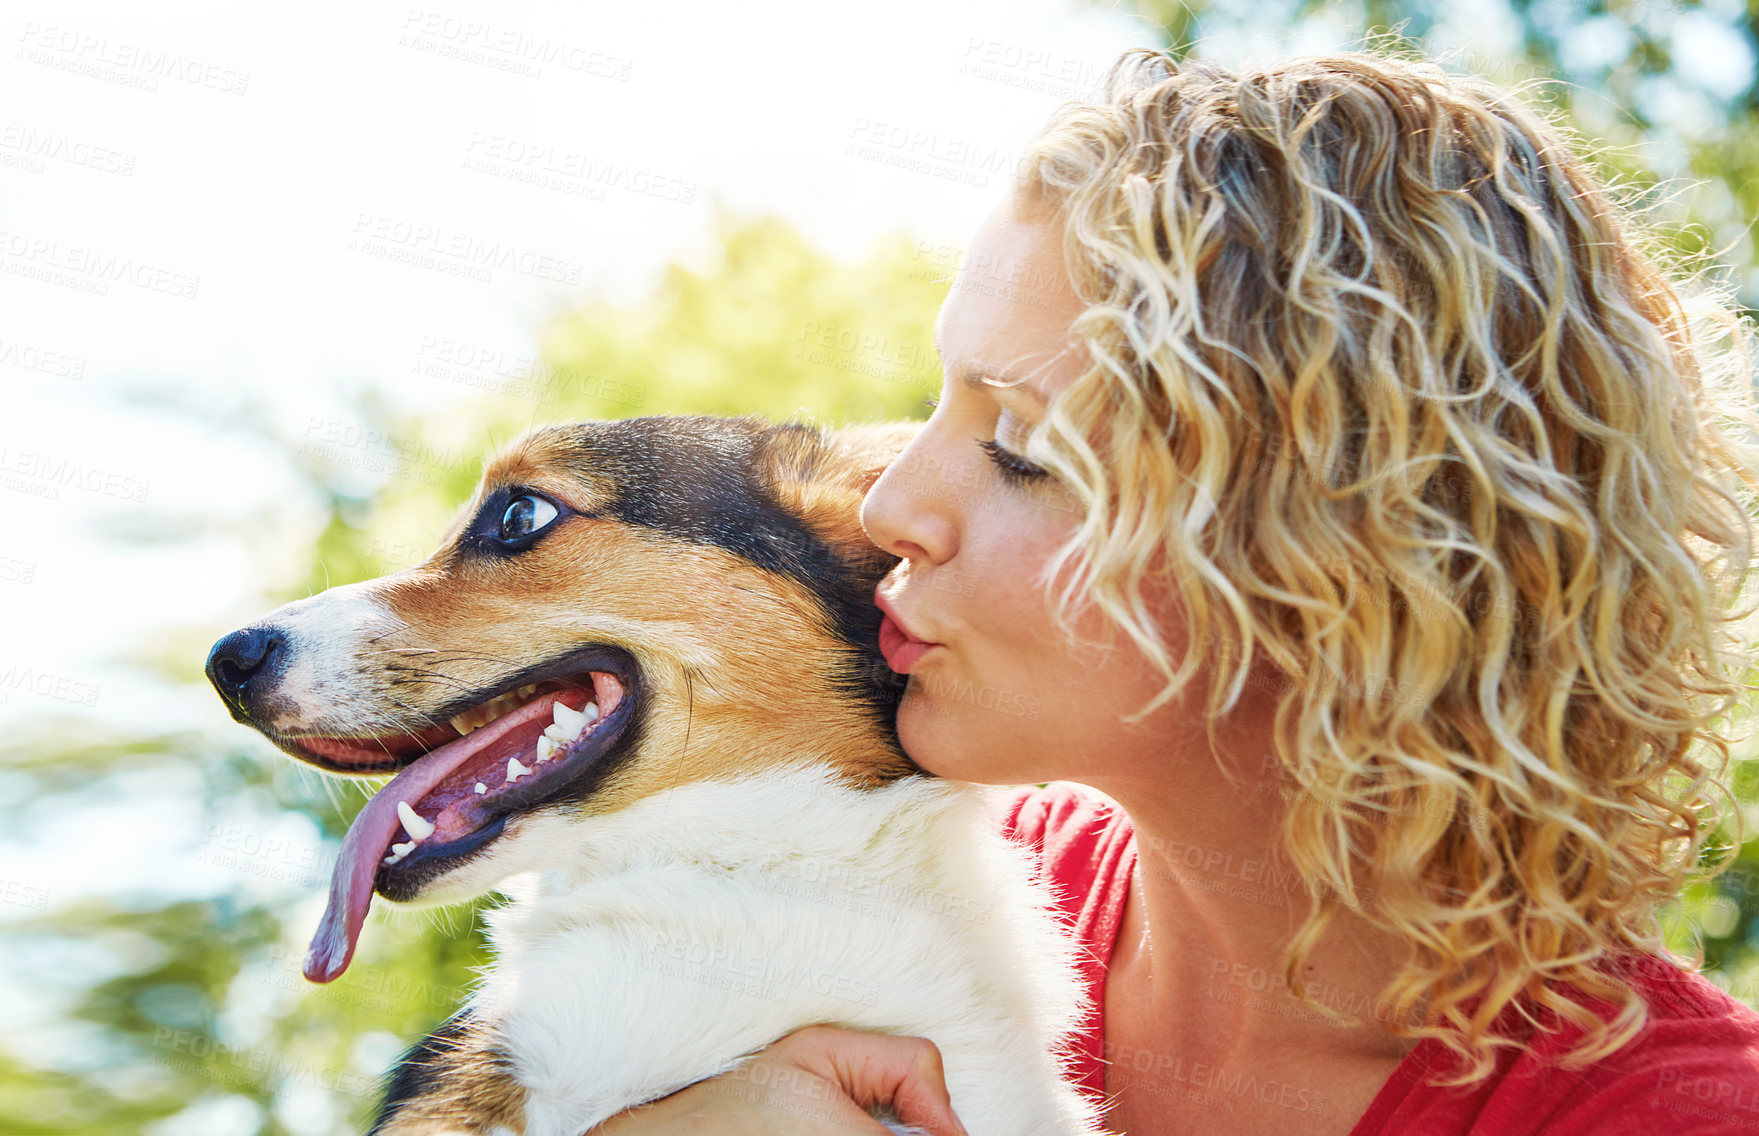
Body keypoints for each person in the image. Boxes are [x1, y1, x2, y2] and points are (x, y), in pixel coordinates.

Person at [600, 48, 1759, 1135]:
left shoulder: (1670, 1109)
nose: (890, 505)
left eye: (1022, 448)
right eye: (940, 402)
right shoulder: (906, 891)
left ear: (1336, 560)